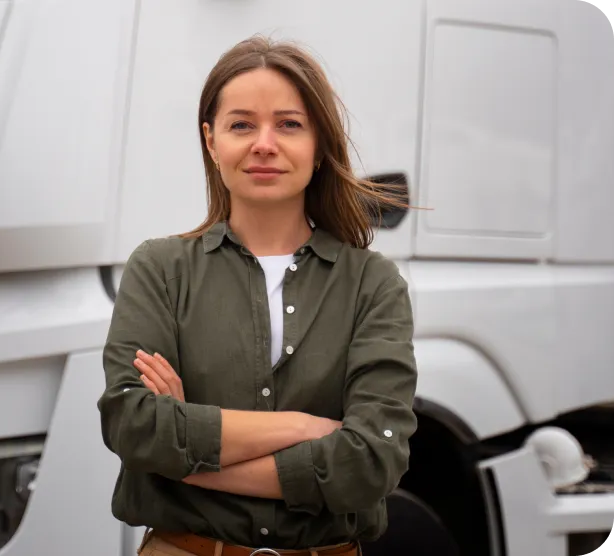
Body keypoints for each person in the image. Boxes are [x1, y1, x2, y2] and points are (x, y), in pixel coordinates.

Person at [97, 35, 418, 556]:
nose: (263, 143)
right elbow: (134, 426)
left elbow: (370, 461)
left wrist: (188, 463)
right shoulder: (159, 269)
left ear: (319, 145)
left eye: (289, 124)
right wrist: (301, 427)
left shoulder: (372, 283)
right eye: (241, 124)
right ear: (211, 140)